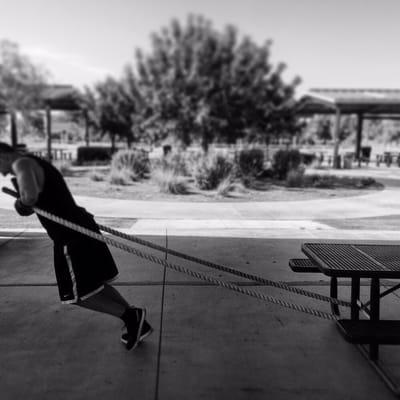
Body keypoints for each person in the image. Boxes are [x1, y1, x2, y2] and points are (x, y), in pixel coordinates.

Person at [0, 142, 152, 350]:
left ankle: (131, 316)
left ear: (2, 156)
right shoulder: (34, 162)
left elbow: (30, 198)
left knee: (78, 295)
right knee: (94, 287)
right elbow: (35, 201)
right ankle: (136, 323)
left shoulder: (22, 163)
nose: (1, 173)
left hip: (70, 237)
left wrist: (20, 203)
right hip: (80, 228)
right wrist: (25, 203)